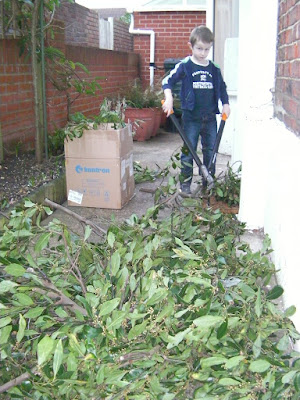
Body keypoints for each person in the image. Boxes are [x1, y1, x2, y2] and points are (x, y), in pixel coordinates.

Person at [162, 25, 230, 194]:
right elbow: (167, 81)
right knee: (188, 150)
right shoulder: (185, 65)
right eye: (199, 48)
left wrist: (226, 104)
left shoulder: (213, 68)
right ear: (190, 46)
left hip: (210, 117)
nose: (202, 53)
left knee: (211, 151)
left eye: (207, 49)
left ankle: (208, 182)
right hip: (191, 117)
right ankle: (185, 184)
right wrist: (169, 98)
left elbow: (221, 87)